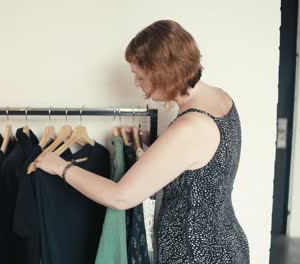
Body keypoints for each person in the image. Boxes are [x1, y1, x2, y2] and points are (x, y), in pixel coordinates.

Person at [34, 20, 250, 264]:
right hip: (225, 241)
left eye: (140, 76)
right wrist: (156, 148)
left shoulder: (190, 127)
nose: (137, 83)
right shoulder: (220, 98)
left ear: (162, 74)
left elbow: (121, 197)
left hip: (194, 254)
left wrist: (62, 167)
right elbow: (201, 171)